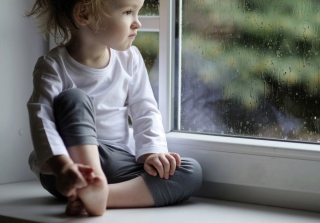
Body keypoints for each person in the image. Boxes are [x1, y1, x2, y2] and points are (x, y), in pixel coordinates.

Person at [26, 0, 202, 217]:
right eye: (128, 12)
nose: (137, 23)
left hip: (117, 160)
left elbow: (145, 110)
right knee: (74, 98)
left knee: (189, 171)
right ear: (84, 14)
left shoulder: (131, 59)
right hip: (69, 168)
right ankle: (89, 186)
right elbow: (41, 119)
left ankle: (100, 195)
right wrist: (62, 167)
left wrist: (153, 153)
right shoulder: (53, 66)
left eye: (138, 12)